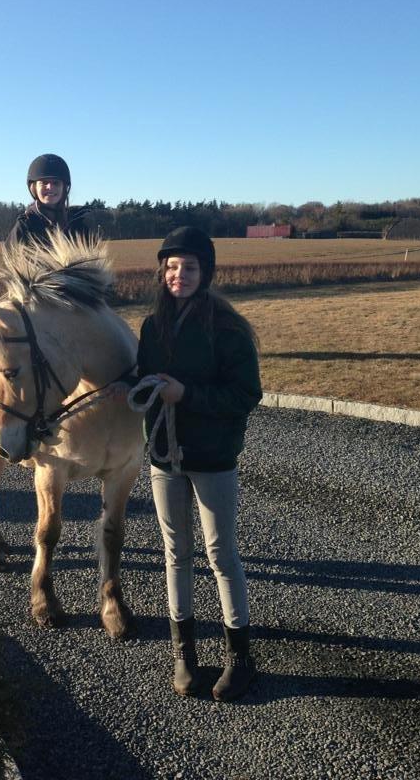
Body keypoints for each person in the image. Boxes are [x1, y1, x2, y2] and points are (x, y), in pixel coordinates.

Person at [133, 226, 262, 701]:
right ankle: (183, 654)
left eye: (188, 267)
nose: (178, 275)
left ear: (204, 272)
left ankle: (240, 659)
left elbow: (246, 394)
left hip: (212, 458)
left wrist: (186, 394)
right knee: (176, 553)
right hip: (165, 458)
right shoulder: (152, 327)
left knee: (221, 555)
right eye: (171, 267)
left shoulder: (227, 329)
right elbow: (142, 381)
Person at [0, 153, 90, 450]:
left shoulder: (79, 222)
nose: (49, 188)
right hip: (33, 303)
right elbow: (15, 271)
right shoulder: (23, 226)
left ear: (65, 187)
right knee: (9, 347)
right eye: (43, 183)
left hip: (73, 302)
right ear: (33, 188)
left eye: (55, 183)